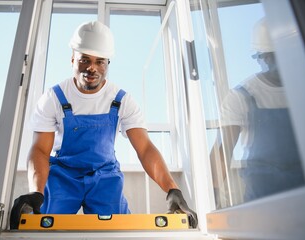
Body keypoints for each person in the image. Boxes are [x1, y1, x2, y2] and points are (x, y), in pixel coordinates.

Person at [10, 21, 197, 229]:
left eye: (100, 61)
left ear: (108, 64)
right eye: (85, 60)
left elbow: (144, 148)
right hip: (63, 175)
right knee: (44, 226)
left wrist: (172, 189)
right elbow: (40, 150)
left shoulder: (122, 100)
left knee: (118, 231)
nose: (92, 68)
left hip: (105, 176)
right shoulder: (53, 98)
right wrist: (36, 191)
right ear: (73, 59)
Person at [210, 17, 305, 205]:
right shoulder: (242, 96)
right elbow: (222, 152)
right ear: (265, 57)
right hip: (265, 196)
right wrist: (212, 194)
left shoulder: (304, 88)